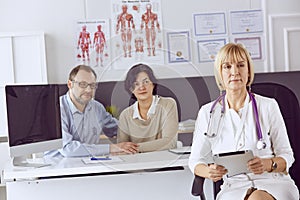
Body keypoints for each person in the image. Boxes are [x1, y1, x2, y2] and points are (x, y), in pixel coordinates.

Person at [188, 43, 299, 199]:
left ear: (248, 71)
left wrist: (268, 164)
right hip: (233, 187)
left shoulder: (268, 106)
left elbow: (287, 156)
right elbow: (195, 161)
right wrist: (209, 171)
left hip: (272, 182)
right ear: (220, 73)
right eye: (227, 66)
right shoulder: (208, 113)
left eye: (240, 65)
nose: (235, 72)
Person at [46, 65, 138, 157]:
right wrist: (112, 148)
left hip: (88, 164)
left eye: (92, 85)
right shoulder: (56, 110)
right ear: (70, 84)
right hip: (58, 166)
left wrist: (141, 129)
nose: (89, 90)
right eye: (83, 84)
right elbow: (68, 149)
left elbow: (118, 129)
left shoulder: (96, 107)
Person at [117, 63, 179, 153]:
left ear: (153, 85)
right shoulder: (125, 115)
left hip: (164, 162)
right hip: (136, 164)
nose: (142, 87)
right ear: (131, 89)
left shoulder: (168, 104)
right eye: (136, 84)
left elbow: (170, 142)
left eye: (146, 82)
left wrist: (134, 148)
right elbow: (122, 148)